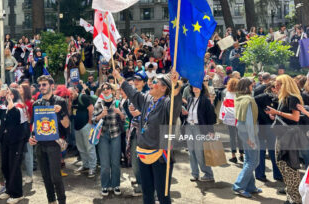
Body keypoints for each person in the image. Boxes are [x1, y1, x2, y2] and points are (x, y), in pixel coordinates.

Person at [113, 69, 182, 204]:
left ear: (164, 88)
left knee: (163, 195)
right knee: (147, 194)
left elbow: (175, 103)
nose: (150, 82)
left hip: (161, 155)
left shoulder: (168, 103)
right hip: (143, 152)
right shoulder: (147, 99)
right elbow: (133, 93)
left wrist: (176, 86)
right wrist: (120, 79)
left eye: (155, 82)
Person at [265, 74, 305, 204]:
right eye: (275, 84)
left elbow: (295, 118)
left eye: (278, 84)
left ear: (285, 84)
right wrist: (275, 115)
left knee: (289, 166)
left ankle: (295, 198)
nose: (275, 86)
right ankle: (290, 195)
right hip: (282, 135)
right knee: (282, 164)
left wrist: (277, 113)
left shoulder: (292, 98)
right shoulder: (284, 98)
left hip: (289, 137)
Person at [29, 75, 68, 204]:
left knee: (56, 177)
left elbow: (67, 125)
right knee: (45, 177)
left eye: (44, 84)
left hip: (54, 144)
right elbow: (34, 124)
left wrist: (60, 112)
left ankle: (62, 201)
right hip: (40, 145)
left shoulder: (60, 101)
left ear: (51, 85)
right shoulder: (36, 103)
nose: (41, 87)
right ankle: (51, 201)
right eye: (39, 85)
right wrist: (31, 137)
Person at [0, 88, 29, 204]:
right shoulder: (4, 108)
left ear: (15, 95)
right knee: (6, 166)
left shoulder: (19, 106)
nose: (8, 95)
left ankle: (18, 194)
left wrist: (8, 99)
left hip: (16, 142)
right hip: (5, 141)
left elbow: (15, 114)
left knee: (14, 167)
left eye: (11, 93)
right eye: (7, 94)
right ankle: (9, 189)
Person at [92, 82, 126, 196]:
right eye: (103, 88)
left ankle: (116, 185)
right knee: (105, 164)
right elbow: (93, 120)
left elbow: (124, 118)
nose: (106, 90)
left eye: (108, 88)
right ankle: (105, 186)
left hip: (116, 135)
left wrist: (120, 112)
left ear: (112, 90)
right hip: (103, 136)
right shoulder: (99, 102)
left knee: (115, 162)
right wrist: (101, 115)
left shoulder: (117, 102)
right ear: (101, 91)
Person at [232, 78, 261, 198]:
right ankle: (239, 186)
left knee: (249, 160)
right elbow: (249, 121)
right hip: (249, 133)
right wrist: (251, 138)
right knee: (253, 161)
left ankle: (250, 186)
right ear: (247, 86)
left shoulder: (238, 98)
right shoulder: (248, 100)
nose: (253, 86)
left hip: (242, 131)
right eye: (251, 85)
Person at [184, 84, 216, 182]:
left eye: (197, 85)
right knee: (191, 152)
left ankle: (208, 174)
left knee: (199, 152)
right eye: (193, 86)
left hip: (199, 128)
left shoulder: (205, 100)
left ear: (201, 88)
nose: (195, 87)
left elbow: (211, 116)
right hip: (189, 127)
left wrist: (211, 131)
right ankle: (195, 174)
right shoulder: (189, 99)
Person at [254, 83, 283, 182]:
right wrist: (262, 115)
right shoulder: (264, 96)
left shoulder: (279, 97)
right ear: (272, 88)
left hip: (271, 126)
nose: (278, 90)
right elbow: (253, 102)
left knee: (273, 151)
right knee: (262, 151)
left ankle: (277, 174)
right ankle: (260, 174)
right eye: (277, 87)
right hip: (263, 125)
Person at [69, 86, 96, 178]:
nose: (70, 96)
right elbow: (70, 113)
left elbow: (91, 108)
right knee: (81, 148)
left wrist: (89, 122)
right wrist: (69, 102)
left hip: (85, 126)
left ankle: (92, 167)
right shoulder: (71, 100)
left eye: (71, 94)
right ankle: (85, 165)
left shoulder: (83, 97)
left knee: (89, 148)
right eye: (69, 95)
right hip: (77, 127)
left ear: (75, 91)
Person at [220, 78, 244, 163]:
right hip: (239, 118)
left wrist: (222, 117)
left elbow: (224, 107)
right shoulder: (241, 95)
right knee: (240, 136)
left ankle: (233, 155)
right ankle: (242, 155)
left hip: (230, 118)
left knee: (232, 137)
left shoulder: (227, 94)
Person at [18, 84, 34, 184]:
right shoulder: (18, 102)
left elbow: (33, 118)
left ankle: (30, 175)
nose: (18, 89)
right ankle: (24, 175)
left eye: (20, 88)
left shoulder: (31, 102)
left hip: (28, 131)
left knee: (28, 154)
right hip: (20, 131)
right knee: (21, 154)